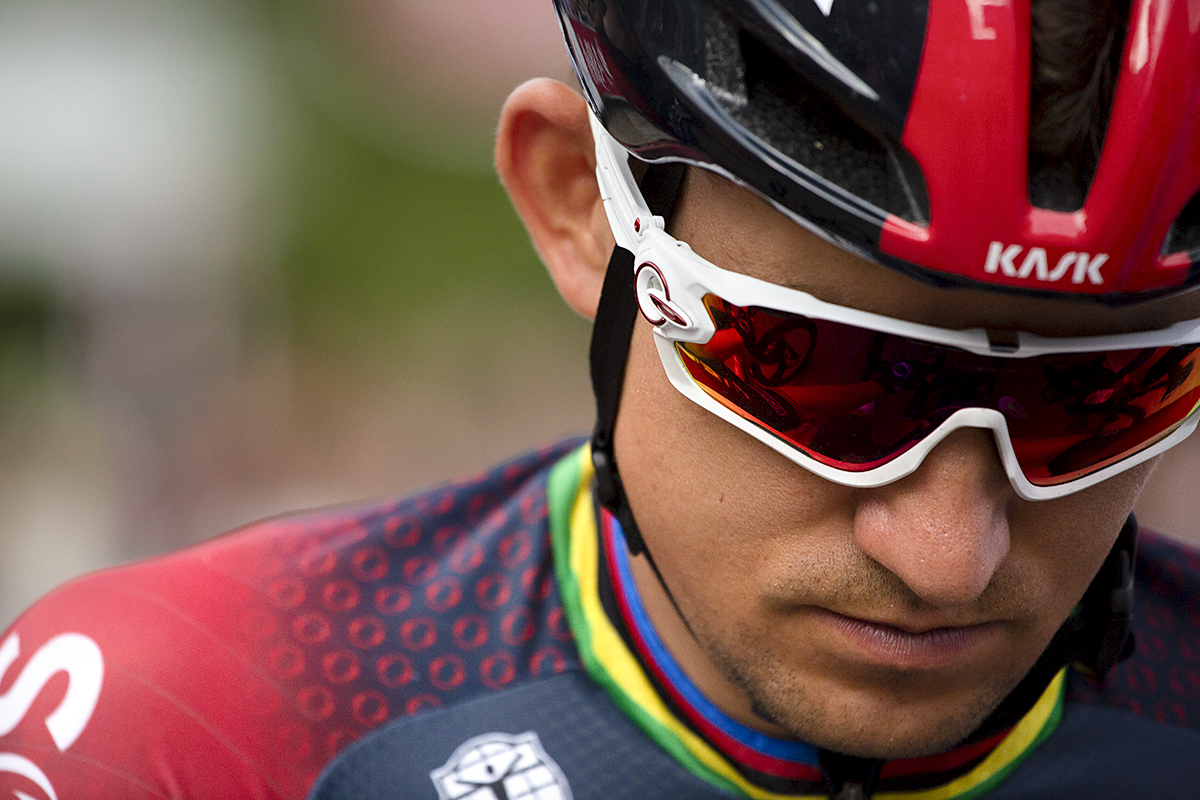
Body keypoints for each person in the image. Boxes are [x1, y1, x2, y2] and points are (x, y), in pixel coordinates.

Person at [2, 0, 1199, 797]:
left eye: (1109, 393)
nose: (950, 552)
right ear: (580, 202)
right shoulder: (181, 721)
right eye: (820, 371)